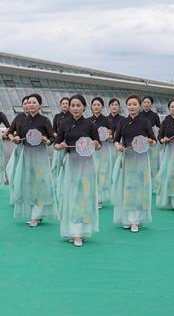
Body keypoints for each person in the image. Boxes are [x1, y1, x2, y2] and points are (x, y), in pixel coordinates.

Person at [54, 94, 101, 247]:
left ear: (84, 107)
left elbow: (98, 144)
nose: (75, 108)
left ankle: (81, 231)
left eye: (78, 105)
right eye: (72, 105)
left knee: (84, 195)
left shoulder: (90, 124)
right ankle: (72, 230)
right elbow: (56, 143)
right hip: (71, 163)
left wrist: (95, 144)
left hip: (86, 164)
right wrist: (59, 146)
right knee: (71, 195)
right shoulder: (63, 123)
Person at [111, 95, 157, 233]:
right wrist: (118, 146)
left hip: (142, 158)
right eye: (129, 104)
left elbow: (154, 141)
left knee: (140, 187)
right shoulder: (122, 122)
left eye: (135, 104)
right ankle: (127, 218)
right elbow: (116, 139)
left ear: (139, 106)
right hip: (128, 157)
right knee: (128, 187)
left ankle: (136, 219)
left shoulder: (145, 122)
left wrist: (150, 142)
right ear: (126, 106)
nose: (132, 106)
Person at [11, 94, 56, 227]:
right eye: (29, 102)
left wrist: (47, 140)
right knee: (28, 183)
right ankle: (34, 214)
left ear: (39, 105)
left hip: (40, 155)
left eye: (34, 102)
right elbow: (17, 134)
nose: (31, 104)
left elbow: (52, 138)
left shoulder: (44, 120)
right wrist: (16, 138)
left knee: (40, 183)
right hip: (26, 155)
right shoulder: (23, 120)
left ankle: (37, 215)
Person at [90, 97, 113, 209]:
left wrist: (109, 136)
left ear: (102, 107)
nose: (96, 107)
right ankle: (92, 196)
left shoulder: (107, 120)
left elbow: (112, 136)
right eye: (94, 104)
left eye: (98, 105)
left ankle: (100, 198)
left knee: (102, 172)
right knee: (92, 172)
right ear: (91, 106)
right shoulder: (88, 120)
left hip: (104, 149)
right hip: (92, 150)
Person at [140, 96, 161, 178]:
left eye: (148, 102)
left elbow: (160, 127)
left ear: (151, 104)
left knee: (153, 160)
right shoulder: (139, 114)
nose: (146, 104)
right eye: (144, 102)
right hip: (141, 139)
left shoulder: (155, 115)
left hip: (152, 140)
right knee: (141, 159)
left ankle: (153, 177)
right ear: (142, 104)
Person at [51, 97, 72, 176]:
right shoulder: (57, 116)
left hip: (68, 143)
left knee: (66, 164)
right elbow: (53, 129)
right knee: (56, 164)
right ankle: (55, 181)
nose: (65, 105)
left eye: (67, 103)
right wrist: (55, 134)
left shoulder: (72, 116)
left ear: (69, 105)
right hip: (59, 142)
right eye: (63, 103)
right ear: (60, 105)